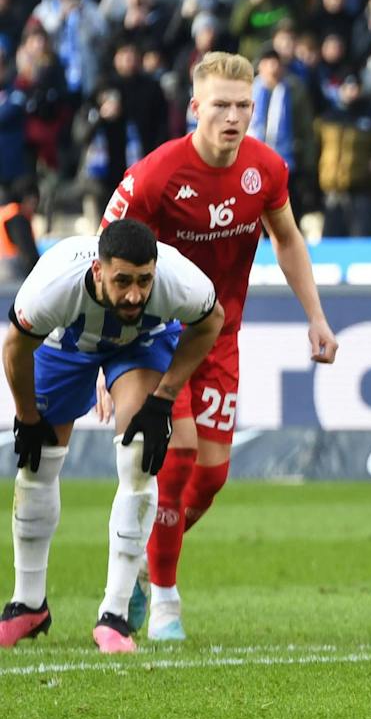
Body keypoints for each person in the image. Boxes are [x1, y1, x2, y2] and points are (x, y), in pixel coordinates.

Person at [101, 53, 339, 641]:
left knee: (208, 480)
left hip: (222, 335)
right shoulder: (155, 176)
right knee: (174, 456)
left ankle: (139, 561)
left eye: (243, 106)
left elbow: (286, 239)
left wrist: (317, 317)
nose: (233, 118)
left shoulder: (266, 168)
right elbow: (103, 260)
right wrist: (102, 354)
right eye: (220, 106)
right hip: (157, 337)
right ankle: (165, 603)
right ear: (194, 109)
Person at [1, 219, 224, 652]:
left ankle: (115, 615)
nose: (135, 294)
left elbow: (211, 321)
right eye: (123, 281)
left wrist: (164, 397)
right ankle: (28, 603)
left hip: (142, 343)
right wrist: (27, 418)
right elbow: (15, 348)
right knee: (36, 465)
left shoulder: (178, 280)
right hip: (68, 343)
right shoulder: (54, 287)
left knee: (140, 459)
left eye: (144, 281)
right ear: (99, 271)